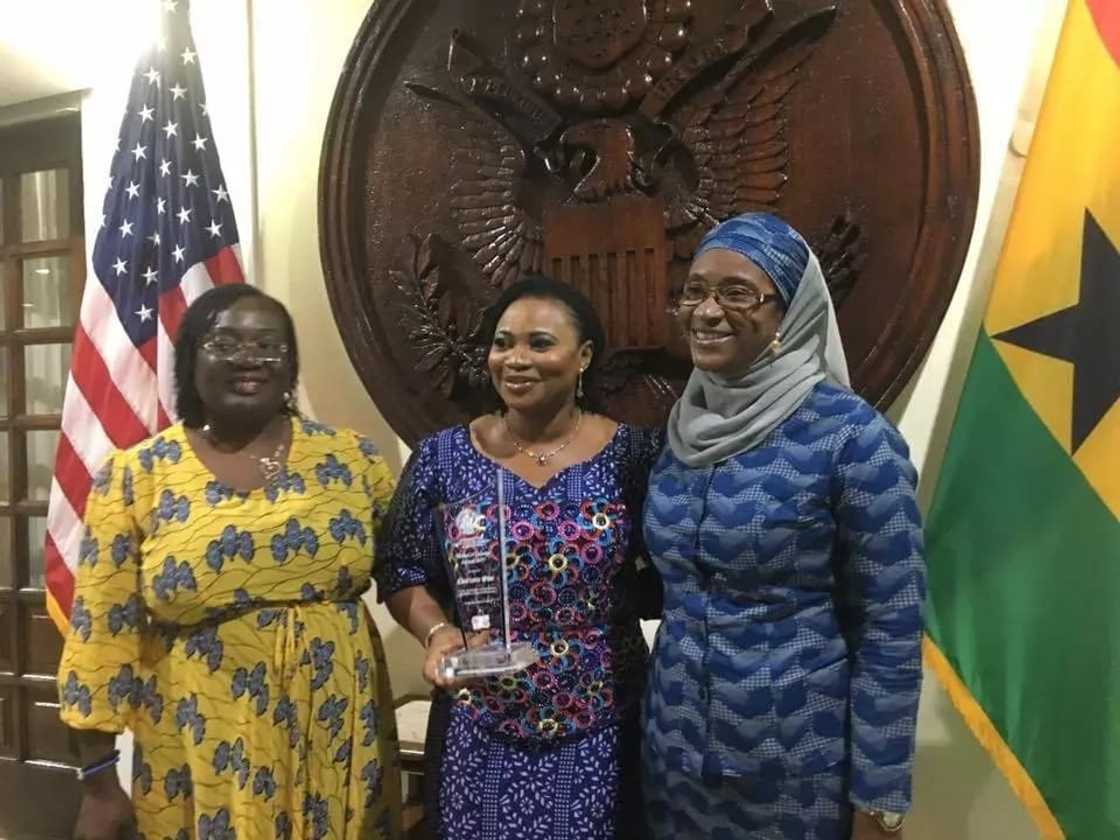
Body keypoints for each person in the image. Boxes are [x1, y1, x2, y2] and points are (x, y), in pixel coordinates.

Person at [57, 285, 402, 840]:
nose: (249, 358)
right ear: (191, 357)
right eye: (225, 342)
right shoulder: (138, 475)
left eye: (269, 346)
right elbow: (101, 631)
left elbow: (409, 573)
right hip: (199, 748)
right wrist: (98, 784)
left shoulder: (352, 460)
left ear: (290, 365)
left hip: (336, 736)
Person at [641, 213, 926, 839]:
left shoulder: (854, 440)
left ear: (789, 312)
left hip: (795, 770)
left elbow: (892, 627)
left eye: (737, 293)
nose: (707, 311)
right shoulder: (684, 427)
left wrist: (879, 801)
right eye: (694, 291)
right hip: (675, 759)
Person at [376, 275, 662, 840]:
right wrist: (437, 633)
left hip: (601, 720)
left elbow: (672, 565)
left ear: (583, 357)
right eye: (503, 343)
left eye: (539, 343)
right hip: (479, 719)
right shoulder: (443, 457)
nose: (515, 359)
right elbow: (401, 569)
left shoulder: (636, 456)